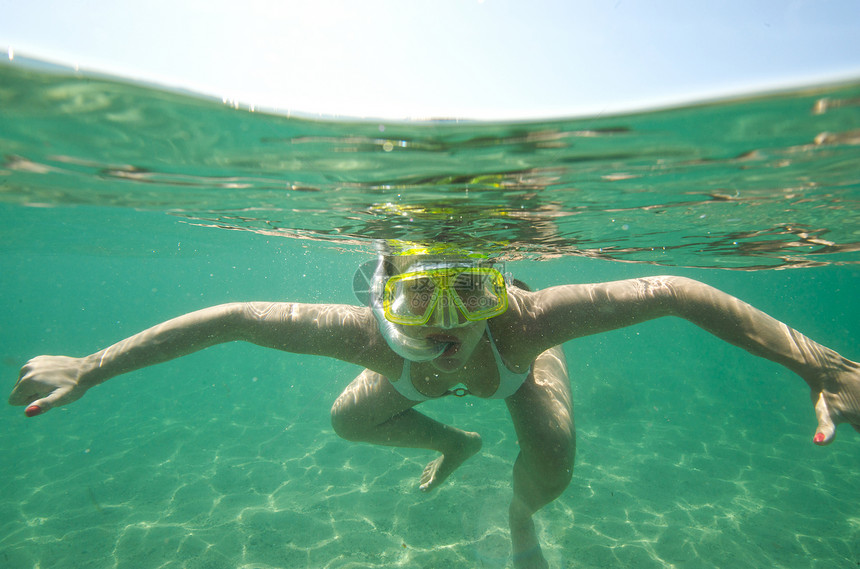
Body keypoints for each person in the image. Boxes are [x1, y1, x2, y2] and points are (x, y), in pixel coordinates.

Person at [9, 243, 860, 569]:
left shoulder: (524, 320)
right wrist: (92, 364)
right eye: (422, 300)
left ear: (498, 287)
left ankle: (520, 518)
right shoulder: (363, 337)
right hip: (426, 380)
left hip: (522, 371)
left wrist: (817, 362)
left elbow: (673, 289)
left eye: (472, 291)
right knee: (345, 418)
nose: (452, 320)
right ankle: (456, 445)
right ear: (382, 304)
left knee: (554, 461)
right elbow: (231, 319)